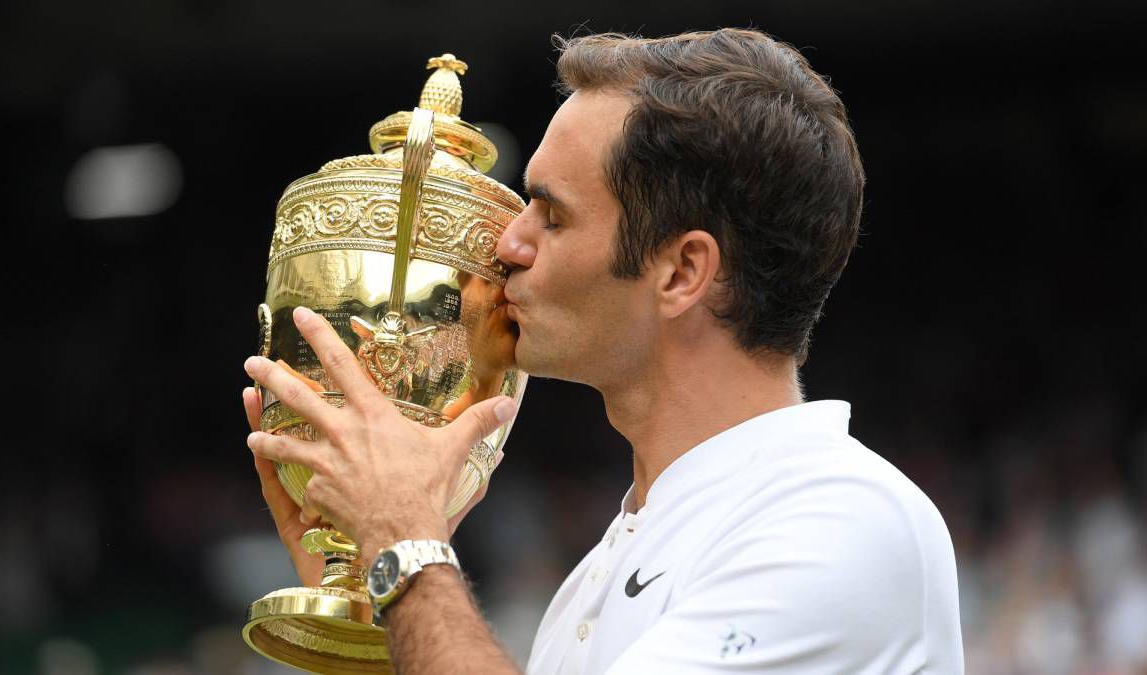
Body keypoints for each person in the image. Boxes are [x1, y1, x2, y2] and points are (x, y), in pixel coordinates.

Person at [241, 28, 965, 674]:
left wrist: (408, 545)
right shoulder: (601, 569)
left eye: (551, 216)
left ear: (682, 272)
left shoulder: (843, 521)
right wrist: (368, 612)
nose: (508, 243)